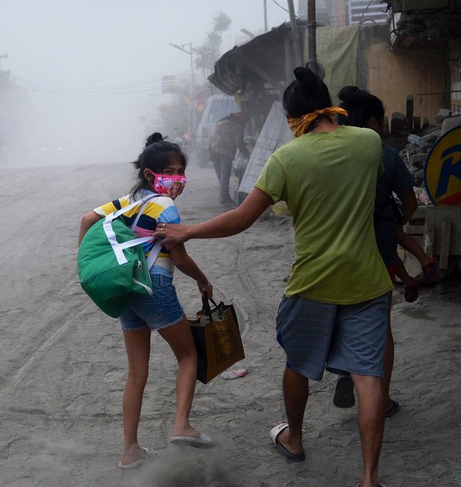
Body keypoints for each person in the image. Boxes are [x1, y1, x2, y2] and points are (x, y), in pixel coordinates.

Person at [155, 67, 391, 487]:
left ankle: (295, 438)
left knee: (298, 363)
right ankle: (370, 477)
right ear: (330, 106)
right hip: (367, 281)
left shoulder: (286, 158)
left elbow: (242, 218)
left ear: (292, 115)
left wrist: (188, 230)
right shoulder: (369, 142)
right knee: (368, 375)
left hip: (314, 283)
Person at [78, 133, 215, 470]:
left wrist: (86, 262)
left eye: (182, 170)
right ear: (152, 174)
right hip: (154, 285)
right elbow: (178, 257)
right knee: (187, 355)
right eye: (172, 171)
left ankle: (130, 451)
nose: (179, 178)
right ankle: (181, 424)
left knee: (136, 372)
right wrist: (203, 280)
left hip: (127, 287)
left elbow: (86, 219)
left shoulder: (126, 201)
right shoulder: (164, 205)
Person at [332, 86, 439, 419]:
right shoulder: (385, 154)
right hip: (378, 250)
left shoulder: (328, 152)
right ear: (375, 121)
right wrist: (394, 223)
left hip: (335, 251)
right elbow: (409, 203)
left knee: (345, 319)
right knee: (379, 327)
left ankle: (348, 371)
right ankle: (381, 400)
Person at [207, 111, 250, 206]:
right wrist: (244, 150)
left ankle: (226, 196)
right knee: (225, 176)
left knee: (221, 176)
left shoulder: (221, 122)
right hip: (225, 152)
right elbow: (238, 143)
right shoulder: (238, 127)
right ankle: (223, 198)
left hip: (213, 150)